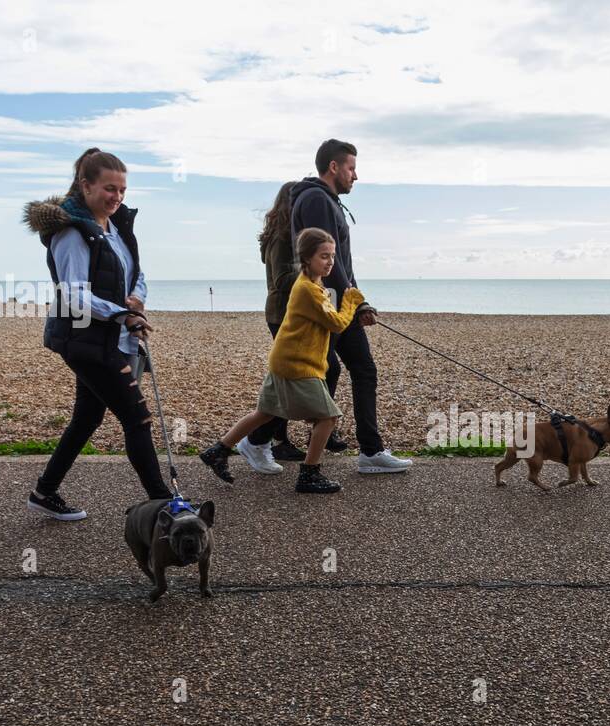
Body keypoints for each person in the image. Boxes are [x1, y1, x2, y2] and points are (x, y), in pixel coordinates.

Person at [23, 148, 170, 520]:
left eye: (122, 190)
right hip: (85, 341)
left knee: (87, 418)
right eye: (109, 189)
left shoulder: (115, 226)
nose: (117, 197)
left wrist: (136, 299)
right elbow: (73, 294)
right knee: (137, 419)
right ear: (85, 186)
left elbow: (138, 273)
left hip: (108, 337)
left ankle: (44, 492)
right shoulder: (72, 232)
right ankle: (165, 504)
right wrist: (122, 314)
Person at [198, 228, 364, 493]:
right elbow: (336, 324)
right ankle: (309, 474)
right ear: (307, 258)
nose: (330, 261)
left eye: (332, 256)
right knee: (328, 418)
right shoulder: (308, 289)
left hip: (285, 359)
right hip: (297, 366)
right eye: (324, 256)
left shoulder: (313, 286)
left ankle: (218, 450)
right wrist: (352, 301)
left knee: (265, 412)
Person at [290, 139, 411, 474]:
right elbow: (328, 261)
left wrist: (358, 296)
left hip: (336, 301)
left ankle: (260, 440)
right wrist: (353, 301)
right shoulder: (316, 199)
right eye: (351, 168)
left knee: (333, 370)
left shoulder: (325, 200)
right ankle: (369, 452)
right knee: (357, 369)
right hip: (329, 304)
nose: (355, 176)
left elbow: (339, 260)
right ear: (334, 167)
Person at [236, 182, 304, 474]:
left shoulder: (290, 234)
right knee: (289, 380)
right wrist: (312, 267)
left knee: (288, 378)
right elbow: (281, 280)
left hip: (290, 313)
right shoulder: (280, 237)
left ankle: (278, 437)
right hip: (281, 314)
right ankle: (256, 439)